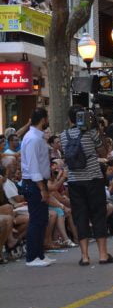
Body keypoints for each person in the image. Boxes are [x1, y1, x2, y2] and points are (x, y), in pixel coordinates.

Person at [60, 105, 113, 266]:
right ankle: (102, 255)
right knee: (98, 215)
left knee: (80, 217)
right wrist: (97, 129)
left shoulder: (63, 135)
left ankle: (85, 256)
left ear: (69, 119)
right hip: (93, 179)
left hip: (74, 181)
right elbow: (103, 153)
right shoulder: (91, 133)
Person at [21, 108, 54, 267]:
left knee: (42, 219)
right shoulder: (33, 139)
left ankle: (39, 255)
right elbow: (34, 167)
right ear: (43, 119)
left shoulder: (37, 137)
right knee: (36, 220)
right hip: (34, 184)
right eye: (46, 118)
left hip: (39, 182)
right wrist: (42, 188)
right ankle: (32, 257)